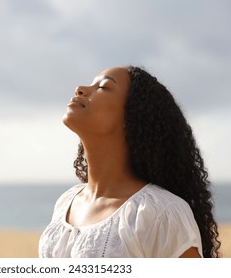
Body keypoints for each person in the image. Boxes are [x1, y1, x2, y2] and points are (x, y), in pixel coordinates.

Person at [38, 66, 221, 258]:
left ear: (132, 116)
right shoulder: (66, 203)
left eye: (103, 87)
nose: (80, 89)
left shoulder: (160, 212)